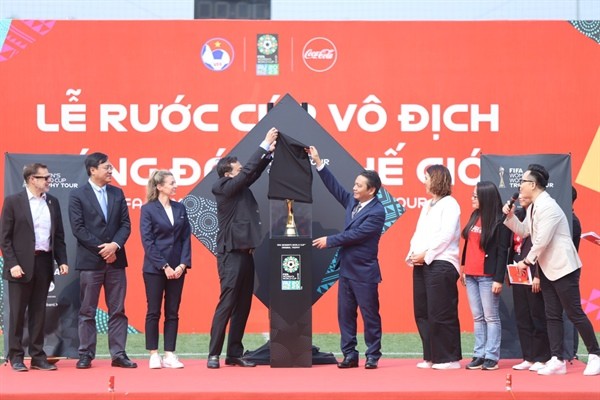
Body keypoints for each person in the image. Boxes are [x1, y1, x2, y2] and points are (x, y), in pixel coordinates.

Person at [503, 163, 600, 376]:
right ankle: (557, 359)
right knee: (552, 314)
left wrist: (526, 262)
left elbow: (541, 241)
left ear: (534, 184)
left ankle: (595, 354)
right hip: (547, 267)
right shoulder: (534, 207)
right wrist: (510, 217)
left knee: (574, 312)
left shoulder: (549, 207)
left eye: (523, 182)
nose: (520, 186)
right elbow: (525, 231)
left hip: (564, 267)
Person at [308, 146, 385, 370]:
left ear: (371, 190)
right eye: (355, 183)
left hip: (364, 272)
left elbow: (356, 235)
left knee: (370, 316)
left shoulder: (377, 212)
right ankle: (350, 354)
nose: (354, 187)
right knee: (345, 315)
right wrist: (319, 163)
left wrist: (329, 241)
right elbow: (336, 189)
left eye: (359, 185)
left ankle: (373, 355)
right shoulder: (353, 202)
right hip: (347, 270)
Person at [207, 127, 278, 369]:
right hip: (231, 255)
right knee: (227, 303)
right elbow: (247, 173)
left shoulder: (239, 187)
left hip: (246, 253)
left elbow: (251, 173)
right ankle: (213, 354)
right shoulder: (222, 187)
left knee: (243, 305)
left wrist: (268, 154)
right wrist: (263, 144)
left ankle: (234, 353)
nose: (241, 170)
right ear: (228, 173)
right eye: (237, 168)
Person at [69, 152, 136, 369]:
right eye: (107, 167)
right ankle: (86, 354)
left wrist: (114, 246)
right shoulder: (78, 195)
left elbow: (126, 224)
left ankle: (118, 354)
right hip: (91, 262)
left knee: (117, 310)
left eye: (111, 167)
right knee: (87, 310)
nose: (111, 170)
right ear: (93, 170)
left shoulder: (117, 193)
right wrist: (103, 249)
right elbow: (78, 229)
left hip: (116, 261)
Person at [0, 163, 69, 372]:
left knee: (39, 312)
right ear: (32, 179)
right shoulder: (13, 202)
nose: (49, 180)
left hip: (44, 262)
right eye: (45, 177)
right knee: (18, 313)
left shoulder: (53, 202)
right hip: (20, 265)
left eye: (48, 177)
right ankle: (16, 356)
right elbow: (5, 238)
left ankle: (38, 357)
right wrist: (12, 264)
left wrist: (62, 260)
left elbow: (58, 236)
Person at [406, 164, 462, 370]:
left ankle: (449, 358)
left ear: (437, 179)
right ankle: (431, 356)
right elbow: (419, 232)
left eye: (427, 177)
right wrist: (412, 254)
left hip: (442, 262)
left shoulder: (450, 204)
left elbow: (446, 236)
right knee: (422, 311)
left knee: (441, 311)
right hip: (422, 262)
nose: (424, 181)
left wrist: (427, 255)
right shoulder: (427, 205)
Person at [140, 170, 191, 369]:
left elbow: (186, 237)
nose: (175, 185)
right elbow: (148, 241)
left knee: (172, 312)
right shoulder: (148, 209)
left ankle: (170, 353)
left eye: (175, 182)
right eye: (171, 183)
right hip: (155, 269)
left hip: (178, 268)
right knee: (153, 311)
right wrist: (164, 266)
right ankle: (153, 353)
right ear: (160, 186)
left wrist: (182, 264)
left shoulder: (180, 208)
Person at [460, 181, 511, 371]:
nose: (472, 198)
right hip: (471, 275)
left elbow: (501, 252)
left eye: (475, 195)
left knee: (491, 317)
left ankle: (491, 356)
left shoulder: (500, 221)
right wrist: (464, 268)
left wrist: (498, 278)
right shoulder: (475, 215)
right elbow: (469, 245)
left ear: (486, 197)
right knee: (477, 317)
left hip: (488, 276)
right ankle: (478, 354)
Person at [509, 195, 551, 372]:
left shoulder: (540, 217)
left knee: (537, 316)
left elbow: (543, 248)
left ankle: (542, 357)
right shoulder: (521, 217)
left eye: (524, 194)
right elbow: (514, 246)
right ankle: (528, 357)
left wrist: (538, 275)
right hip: (518, 272)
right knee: (522, 316)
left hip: (534, 273)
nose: (521, 197)